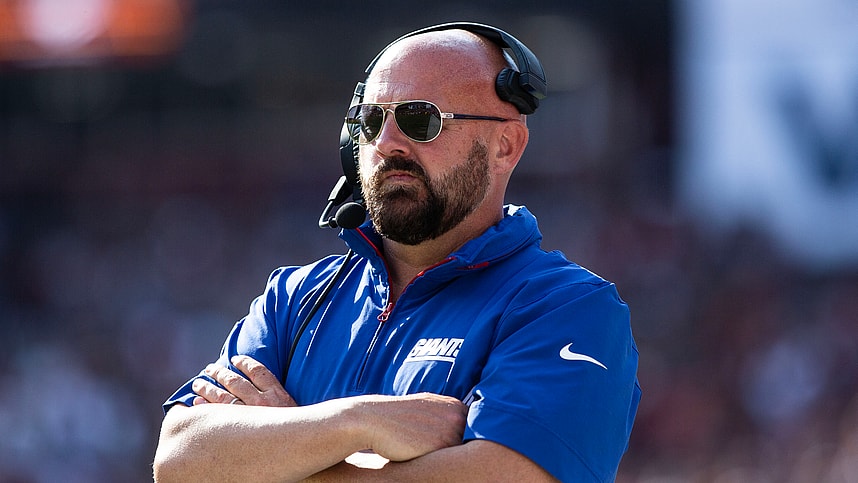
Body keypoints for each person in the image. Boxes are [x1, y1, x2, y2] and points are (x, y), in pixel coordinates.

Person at [153, 22, 640, 483]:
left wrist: (283, 451)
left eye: (419, 119)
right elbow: (179, 458)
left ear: (505, 146)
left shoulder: (569, 308)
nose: (386, 143)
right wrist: (358, 421)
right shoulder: (293, 298)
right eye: (369, 120)